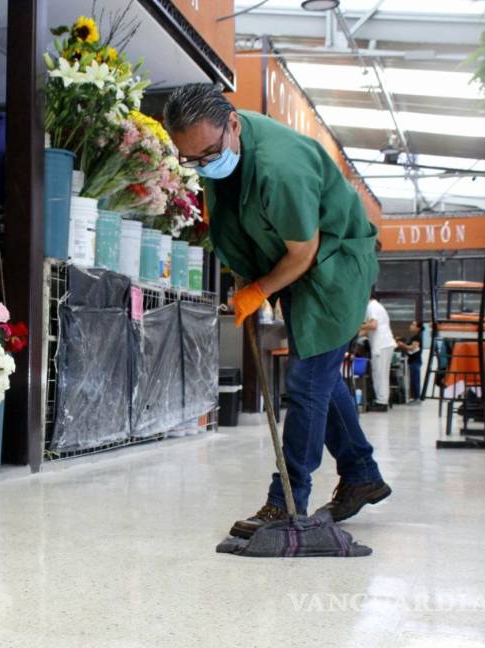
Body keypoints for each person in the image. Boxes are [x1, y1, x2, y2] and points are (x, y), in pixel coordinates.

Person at [164, 84, 391, 539]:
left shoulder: (280, 168)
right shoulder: (220, 146)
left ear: (232, 123)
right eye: (191, 160)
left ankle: (287, 503)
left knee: (307, 383)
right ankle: (362, 474)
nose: (204, 165)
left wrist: (258, 290)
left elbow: (303, 252)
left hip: (333, 267)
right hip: (297, 268)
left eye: (209, 154)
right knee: (321, 380)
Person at [359, 292, 397, 412]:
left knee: (380, 374)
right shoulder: (375, 306)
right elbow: (368, 330)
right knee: (381, 374)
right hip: (384, 344)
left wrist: (357, 326)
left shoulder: (372, 307)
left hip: (381, 345)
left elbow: (373, 325)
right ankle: (382, 400)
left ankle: (381, 403)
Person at [397, 319, 423, 403]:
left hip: (415, 361)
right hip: (412, 361)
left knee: (415, 380)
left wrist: (402, 345)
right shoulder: (414, 337)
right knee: (413, 380)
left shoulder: (417, 337)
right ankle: (415, 398)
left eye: (413, 325)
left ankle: (417, 398)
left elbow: (413, 348)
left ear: (418, 328)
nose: (410, 326)